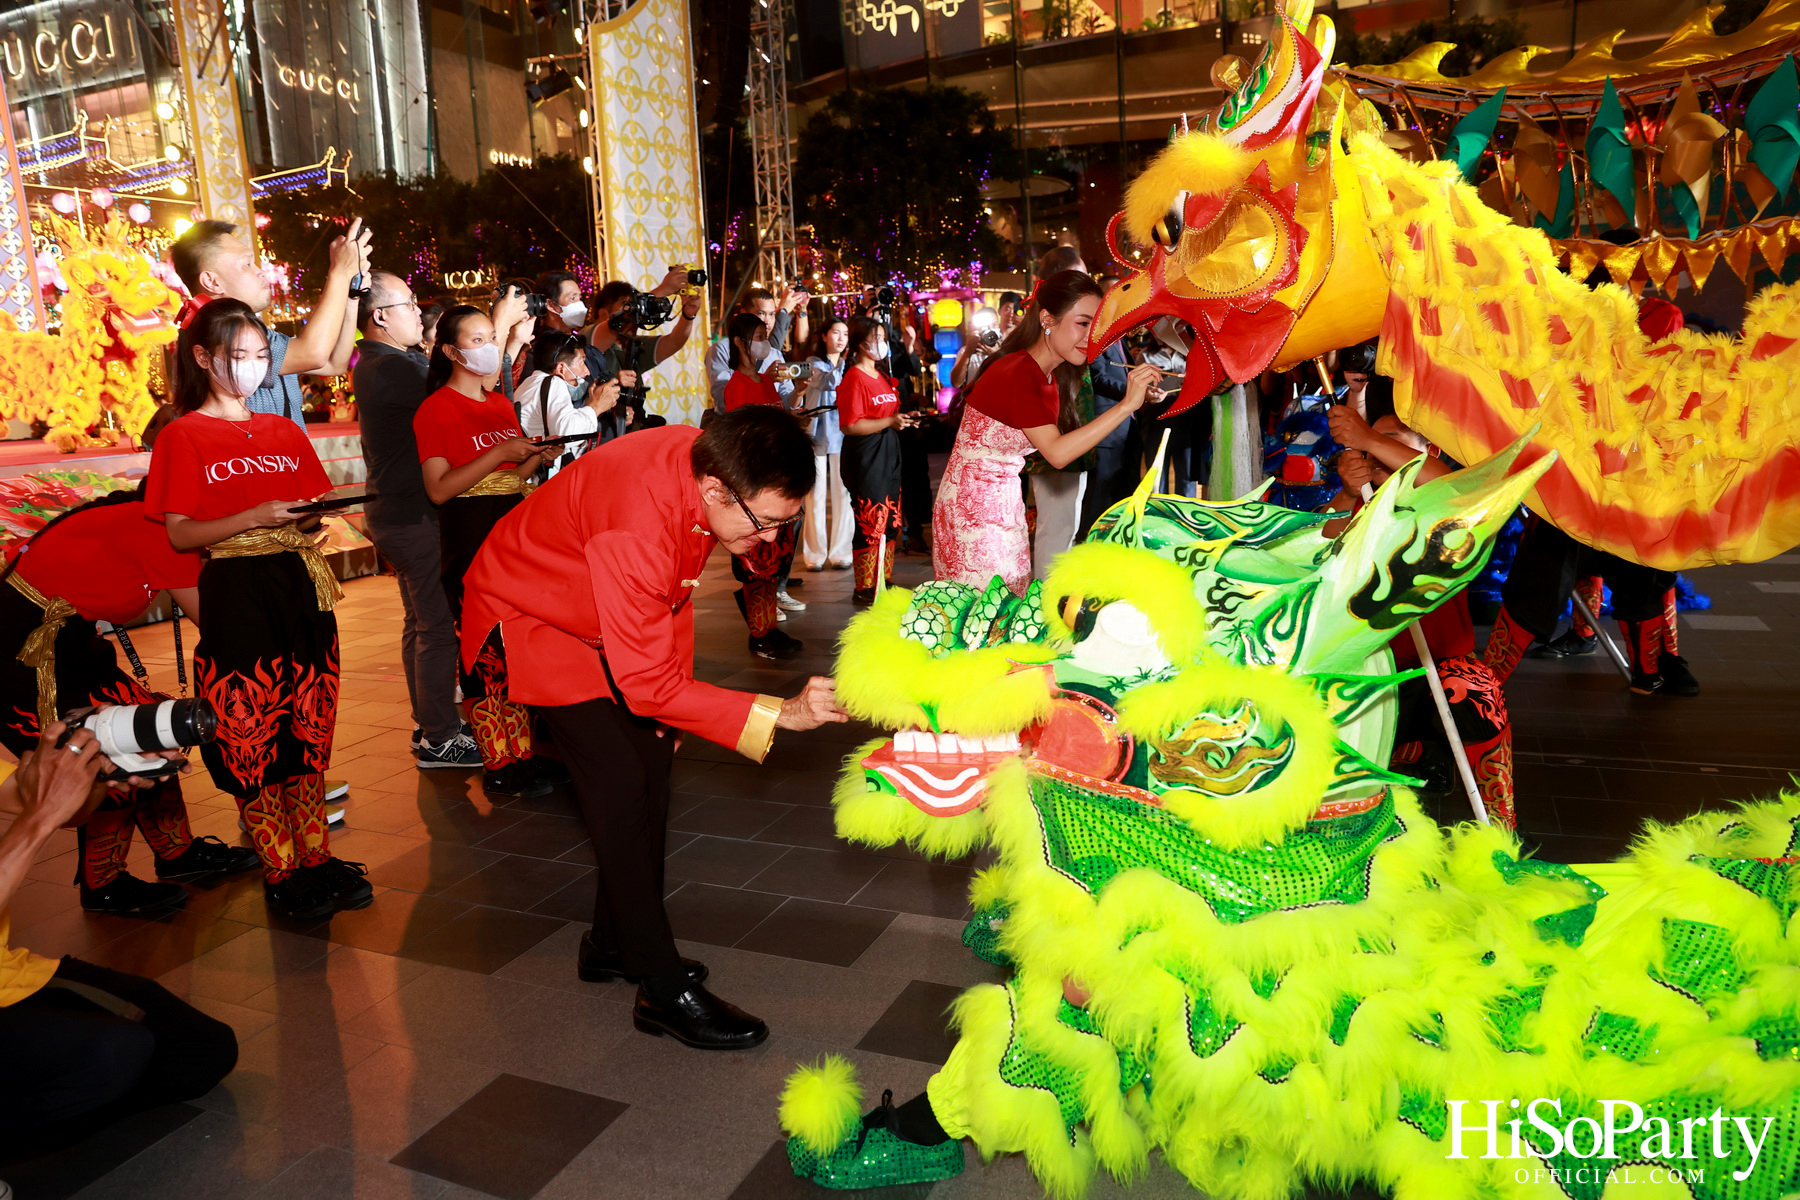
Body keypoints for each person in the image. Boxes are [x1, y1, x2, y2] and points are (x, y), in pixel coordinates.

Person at [456, 407, 849, 1050]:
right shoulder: (638, 524)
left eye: (786, 522)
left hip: (596, 603)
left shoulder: (706, 462)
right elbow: (647, 677)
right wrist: (782, 713)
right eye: (766, 522)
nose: (771, 539)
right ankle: (659, 987)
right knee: (618, 782)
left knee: (651, 766)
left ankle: (611, 944)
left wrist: (674, 709)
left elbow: (671, 596)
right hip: (532, 610)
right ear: (717, 490)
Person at [144, 299, 369, 921]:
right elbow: (181, 535)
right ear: (202, 357)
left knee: (310, 721)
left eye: (261, 356)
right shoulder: (182, 435)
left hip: (298, 583)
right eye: (237, 355)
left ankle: (316, 857)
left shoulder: (283, 431)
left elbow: (311, 506)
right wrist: (253, 517)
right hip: (237, 588)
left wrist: (310, 522)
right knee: (251, 729)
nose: (251, 367)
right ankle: (281, 867)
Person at [0, 491, 259, 915]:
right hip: (25, 654)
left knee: (147, 731)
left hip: (67, 643)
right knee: (102, 753)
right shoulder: (162, 531)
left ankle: (178, 852)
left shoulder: (149, 522)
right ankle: (103, 883)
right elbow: (220, 626)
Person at [0, 724, 238, 1166]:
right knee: (113, 1053)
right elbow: (41, 811)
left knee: (203, 1050)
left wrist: (103, 773)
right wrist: (40, 818)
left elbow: (46, 803)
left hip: (9, 979)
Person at [1327, 407, 1516, 827]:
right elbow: (1322, 542)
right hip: (1371, 675)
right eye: (1369, 446)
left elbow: (1451, 484)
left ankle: (1502, 826)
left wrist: (1368, 438)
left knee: (1476, 689)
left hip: (1439, 672)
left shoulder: (1443, 501)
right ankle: (1410, 762)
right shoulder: (1367, 505)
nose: (1375, 452)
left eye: (1391, 440)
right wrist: (1347, 492)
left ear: (1428, 450)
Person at [934, 271, 1160, 595]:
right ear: (1047, 319)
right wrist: (1126, 405)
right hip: (972, 510)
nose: (1091, 336)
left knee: (1006, 605)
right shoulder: (1019, 372)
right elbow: (1057, 453)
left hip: (1004, 502)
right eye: (1082, 323)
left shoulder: (1049, 376)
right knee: (985, 612)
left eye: (1096, 326)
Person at [415, 306, 550, 799]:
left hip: (513, 538)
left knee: (519, 649)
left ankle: (524, 753)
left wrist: (535, 457)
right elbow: (439, 489)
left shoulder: (498, 404)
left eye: (492, 337)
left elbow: (509, 479)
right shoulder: (435, 409)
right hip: (470, 543)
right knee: (484, 652)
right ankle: (499, 761)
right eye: (477, 339)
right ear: (451, 351)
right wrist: (499, 454)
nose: (489, 347)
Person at [351, 272, 483, 771]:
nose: (418, 312)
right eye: (408, 303)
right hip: (412, 514)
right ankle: (440, 738)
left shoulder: (387, 362)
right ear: (381, 316)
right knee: (437, 626)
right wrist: (500, 338)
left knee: (422, 622)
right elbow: (464, 399)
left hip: (399, 510)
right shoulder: (391, 368)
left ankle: (429, 722)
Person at [170, 217, 371, 430]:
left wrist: (351, 295)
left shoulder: (252, 330)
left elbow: (334, 363)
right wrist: (339, 273)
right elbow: (313, 353)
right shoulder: (213, 334)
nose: (260, 271)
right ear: (212, 281)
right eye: (247, 264)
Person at [720, 312, 805, 660]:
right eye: (758, 336)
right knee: (756, 562)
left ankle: (769, 628)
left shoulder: (766, 381)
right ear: (740, 342)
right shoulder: (736, 385)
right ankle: (760, 633)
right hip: (756, 486)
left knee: (773, 559)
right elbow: (740, 442)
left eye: (765, 335)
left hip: (777, 481)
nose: (764, 342)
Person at [838, 316, 920, 602]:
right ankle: (864, 587)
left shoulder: (881, 375)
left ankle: (884, 580)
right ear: (860, 343)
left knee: (890, 520)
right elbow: (850, 425)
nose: (882, 343)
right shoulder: (854, 378)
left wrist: (903, 419)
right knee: (870, 520)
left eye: (883, 338)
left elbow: (887, 414)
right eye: (876, 338)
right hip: (866, 455)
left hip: (889, 451)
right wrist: (889, 422)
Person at [583, 271, 703, 437]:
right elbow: (619, 321)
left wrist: (688, 315)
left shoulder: (630, 344)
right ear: (604, 314)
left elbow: (674, 342)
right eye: (627, 305)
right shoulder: (587, 339)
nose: (637, 313)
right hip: (601, 436)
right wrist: (664, 289)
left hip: (631, 433)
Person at [515, 332, 619, 479]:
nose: (587, 371)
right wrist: (596, 407)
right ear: (561, 369)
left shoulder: (530, 383)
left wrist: (589, 405)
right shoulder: (553, 382)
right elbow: (565, 434)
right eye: (582, 362)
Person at [799, 318, 853, 571]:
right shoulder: (813, 363)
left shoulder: (849, 365)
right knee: (815, 495)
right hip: (817, 434)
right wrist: (842, 363)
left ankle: (841, 552)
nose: (841, 339)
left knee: (843, 493)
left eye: (845, 334)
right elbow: (828, 382)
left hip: (842, 433)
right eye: (836, 333)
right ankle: (814, 554)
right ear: (823, 336)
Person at [705, 286, 805, 411]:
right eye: (761, 313)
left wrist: (799, 391)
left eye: (772, 314)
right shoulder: (722, 349)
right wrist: (763, 381)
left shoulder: (774, 354)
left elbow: (786, 402)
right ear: (744, 313)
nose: (767, 321)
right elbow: (723, 399)